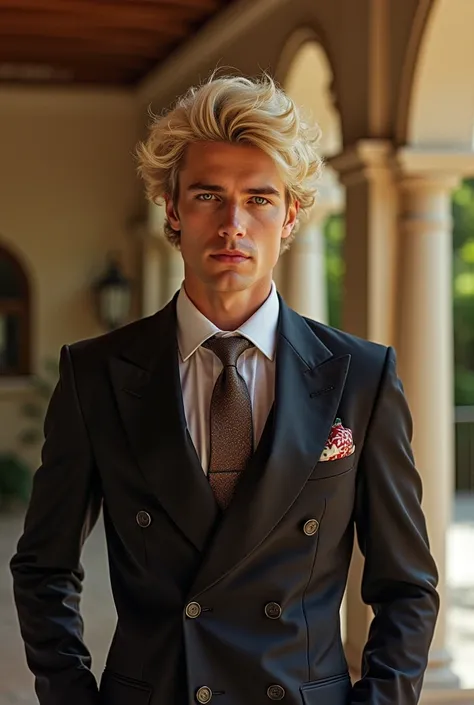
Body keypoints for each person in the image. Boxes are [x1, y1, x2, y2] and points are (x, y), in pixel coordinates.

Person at [10, 73, 439, 705]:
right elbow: (45, 571)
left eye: (259, 199)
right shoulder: (95, 375)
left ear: (290, 215)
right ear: (173, 209)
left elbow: (405, 587)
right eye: (209, 195)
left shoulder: (361, 376)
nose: (233, 224)